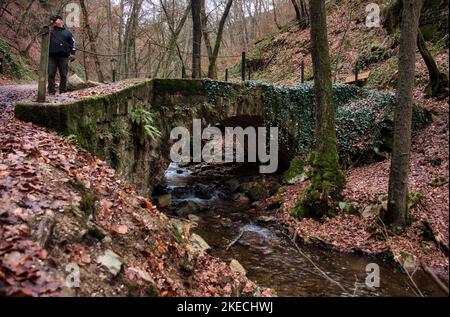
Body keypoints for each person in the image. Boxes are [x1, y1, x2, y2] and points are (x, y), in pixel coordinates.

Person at [48, 15, 76, 95]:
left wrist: (73, 53)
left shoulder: (68, 33)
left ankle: (63, 91)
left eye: (54, 20)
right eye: (52, 21)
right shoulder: (50, 32)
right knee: (51, 74)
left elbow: (73, 43)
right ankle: (51, 91)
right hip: (51, 56)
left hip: (63, 57)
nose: (53, 22)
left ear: (60, 21)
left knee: (63, 74)